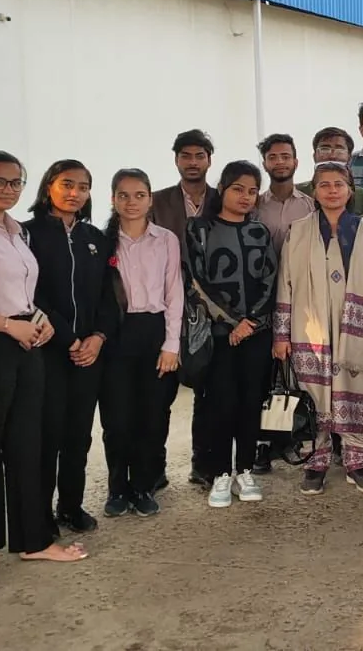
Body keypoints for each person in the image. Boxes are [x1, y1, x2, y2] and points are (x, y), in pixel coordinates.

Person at [0, 151, 88, 573]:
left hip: (29, 344)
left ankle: (34, 539)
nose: (8, 189)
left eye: (15, 183)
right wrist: (8, 326)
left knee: (29, 444)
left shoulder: (17, 233)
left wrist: (40, 321)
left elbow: (26, 293)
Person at [275, 162, 363, 494]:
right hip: (309, 323)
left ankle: (356, 459)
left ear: (349, 189)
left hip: (357, 321)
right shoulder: (298, 230)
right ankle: (317, 461)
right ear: (314, 191)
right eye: (324, 184)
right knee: (314, 392)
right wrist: (281, 334)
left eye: (338, 184)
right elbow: (284, 284)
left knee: (355, 388)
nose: (331, 190)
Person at [23, 160, 117, 537]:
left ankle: (71, 506)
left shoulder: (95, 238)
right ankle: (40, 512)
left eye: (82, 186)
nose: (74, 192)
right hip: (46, 350)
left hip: (89, 353)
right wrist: (69, 338)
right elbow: (30, 295)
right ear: (49, 187)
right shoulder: (26, 235)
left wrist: (97, 338)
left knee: (79, 434)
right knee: (48, 433)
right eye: (67, 184)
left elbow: (109, 297)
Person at [183, 161, 278, 508]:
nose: (245, 197)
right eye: (238, 189)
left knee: (251, 402)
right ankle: (221, 472)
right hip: (217, 334)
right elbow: (195, 282)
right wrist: (231, 322)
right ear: (222, 188)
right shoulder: (199, 229)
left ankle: (246, 469)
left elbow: (271, 280)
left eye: (252, 191)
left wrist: (250, 322)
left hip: (256, 333)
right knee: (220, 403)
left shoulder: (260, 233)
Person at [98, 168, 182, 518]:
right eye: (123, 195)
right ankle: (118, 488)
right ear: (113, 199)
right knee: (117, 418)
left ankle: (144, 485)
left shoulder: (166, 239)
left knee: (152, 415)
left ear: (150, 199)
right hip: (114, 333)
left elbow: (174, 291)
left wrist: (171, 344)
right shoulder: (102, 241)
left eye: (139, 195)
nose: (131, 202)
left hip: (155, 332)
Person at [150, 128, 216, 488]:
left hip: (212, 310)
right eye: (186, 156)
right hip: (164, 306)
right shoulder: (156, 201)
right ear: (176, 159)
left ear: (209, 159)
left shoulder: (222, 198)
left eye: (199, 156)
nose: (193, 163)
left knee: (207, 391)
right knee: (161, 394)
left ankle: (202, 464)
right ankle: (155, 468)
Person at [253, 132, 315, 473]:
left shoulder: (309, 205)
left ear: (296, 161)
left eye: (285, 156)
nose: (280, 162)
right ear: (266, 163)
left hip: (301, 299)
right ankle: (265, 444)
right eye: (273, 157)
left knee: (300, 373)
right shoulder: (253, 204)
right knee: (266, 375)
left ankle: (298, 436)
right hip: (260, 301)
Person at [298, 126, 363, 215]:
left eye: (339, 150)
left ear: (349, 157)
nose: (332, 155)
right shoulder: (298, 193)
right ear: (314, 156)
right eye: (325, 149)